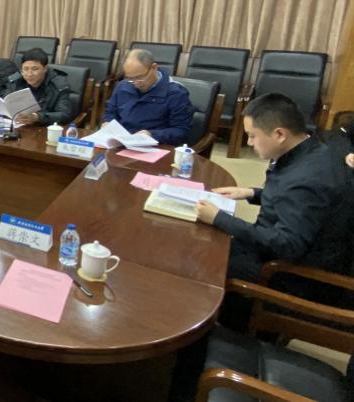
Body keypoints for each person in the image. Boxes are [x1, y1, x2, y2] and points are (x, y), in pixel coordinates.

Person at [195, 93, 352, 325]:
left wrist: (220, 218)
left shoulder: (306, 179)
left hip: (288, 272)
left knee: (205, 258)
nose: (249, 143)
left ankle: (224, 331)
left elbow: (287, 244)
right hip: (284, 248)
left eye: (252, 136)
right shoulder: (311, 151)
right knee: (210, 243)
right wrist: (252, 193)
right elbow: (296, 201)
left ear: (279, 134)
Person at [102, 49, 193, 145]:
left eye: (140, 77)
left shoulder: (176, 93)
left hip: (156, 145)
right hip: (121, 142)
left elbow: (181, 131)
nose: (136, 83)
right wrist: (108, 123)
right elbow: (110, 112)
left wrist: (152, 135)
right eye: (130, 78)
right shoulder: (123, 86)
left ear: (154, 67)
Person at [0, 48, 72, 125]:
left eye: (35, 69)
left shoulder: (58, 84)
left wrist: (38, 117)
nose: (29, 74)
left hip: (43, 129)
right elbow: (3, 103)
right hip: (17, 126)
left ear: (45, 69)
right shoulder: (15, 81)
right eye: (25, 69)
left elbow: (65, 115)